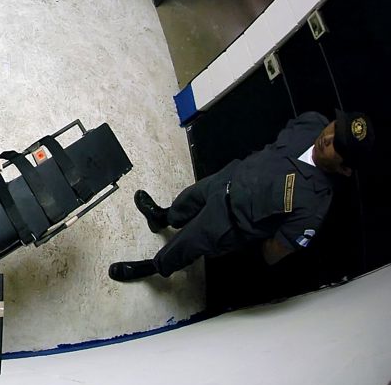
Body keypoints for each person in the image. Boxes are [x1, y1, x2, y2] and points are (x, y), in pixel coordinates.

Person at [109, 110, 376, 282]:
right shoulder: (312, 123)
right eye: (335, 127)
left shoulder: (313, 207)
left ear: (344, 168)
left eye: (338, 144)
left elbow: (273, 253)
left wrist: (246, 230)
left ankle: (154, 268)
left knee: (185, 246)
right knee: (187, 199)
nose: (328, 137)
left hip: (228, 222)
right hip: (232, 175)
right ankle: (162, 217)